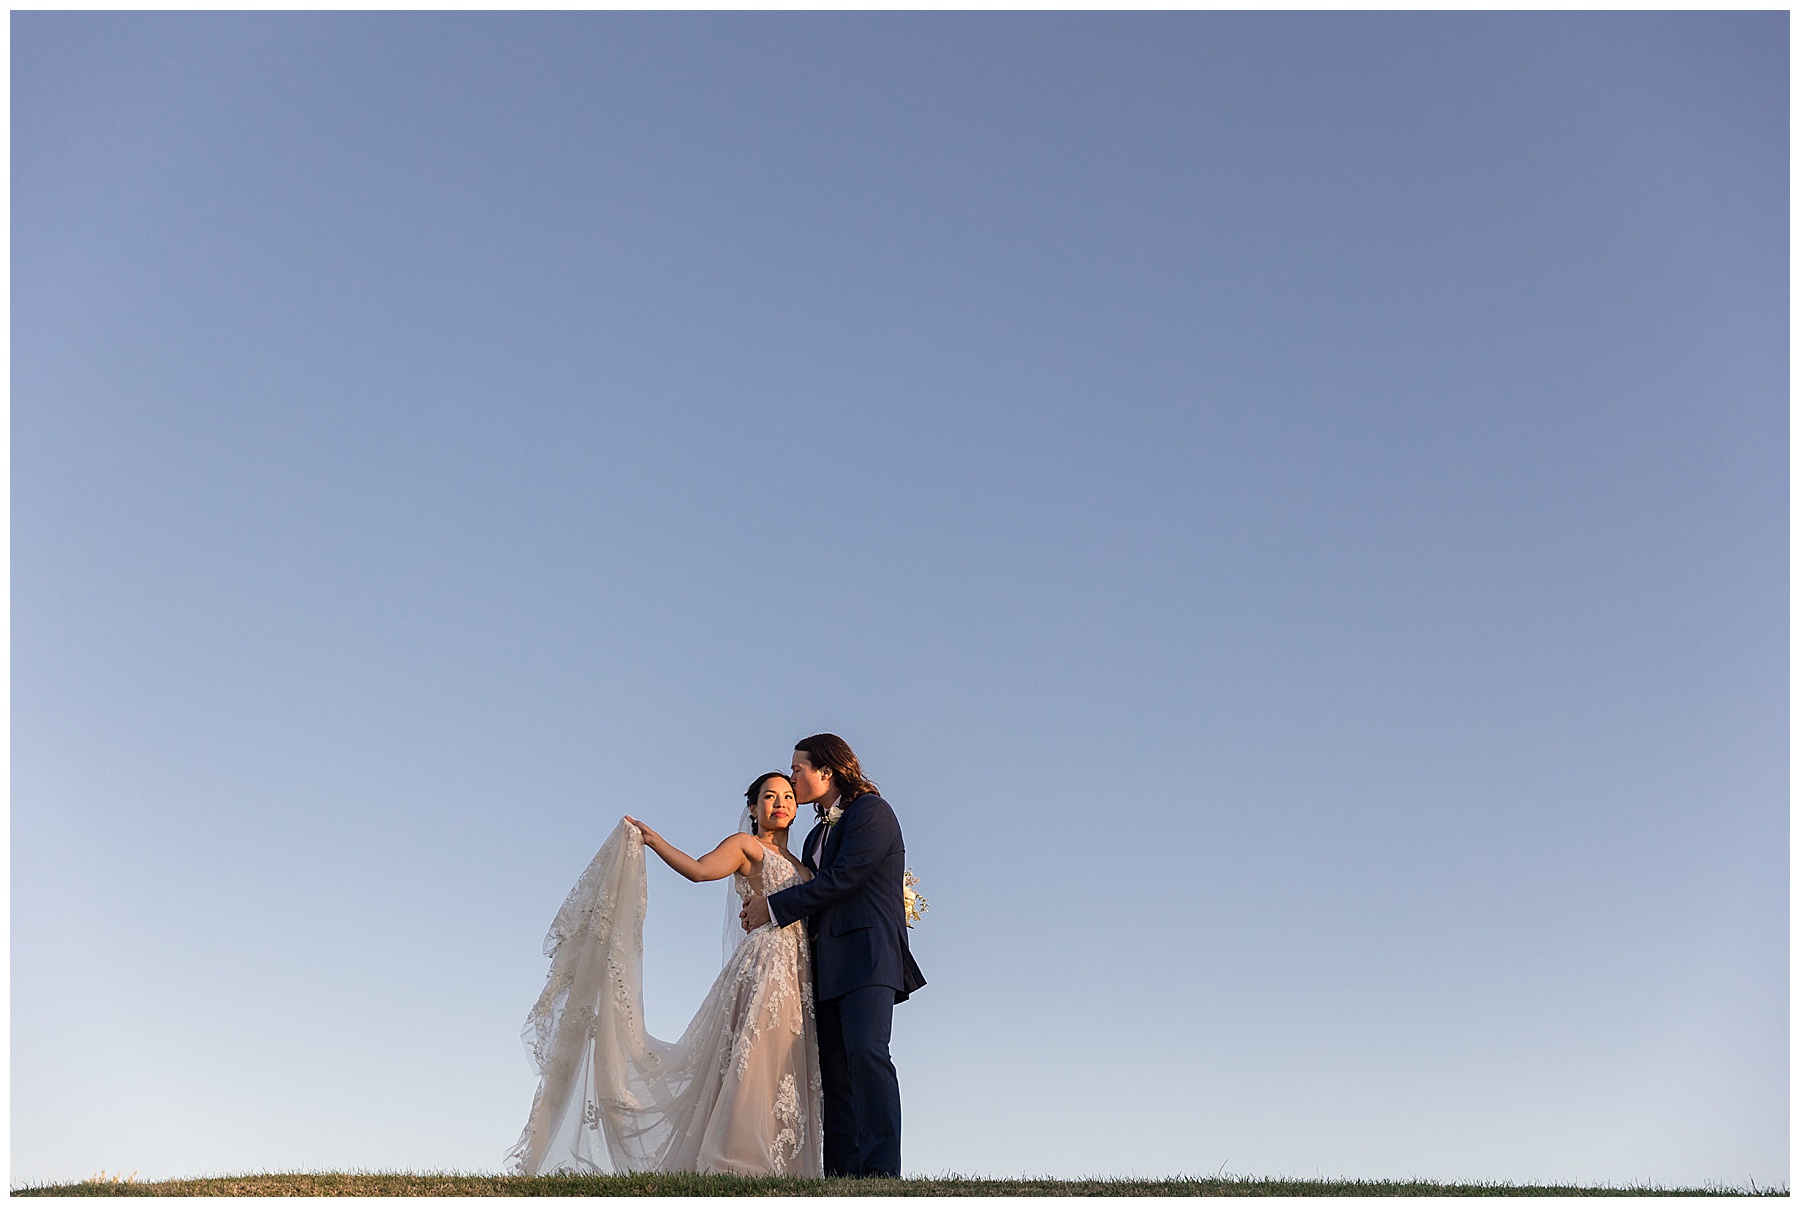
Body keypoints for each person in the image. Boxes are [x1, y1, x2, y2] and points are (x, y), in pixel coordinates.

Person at [506, 772, 824, 1176]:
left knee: (784, 1065)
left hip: (799, 975)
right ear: (753, 807)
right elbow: (699, 870)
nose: (779, 803)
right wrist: (655, 842)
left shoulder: (805, 864)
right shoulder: (747, 846)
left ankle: (785, 1169)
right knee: (752, 1063)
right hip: (763, 969)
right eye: (768, 796)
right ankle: (741, 1163)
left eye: (787, 796)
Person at [739, 734, 925, 1178]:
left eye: (797, 768)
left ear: (827, 771)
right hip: (824, 967)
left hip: (867, 958)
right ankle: (841, 1177)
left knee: (867, 1055)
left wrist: (774, 906)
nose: (792, 776)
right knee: (834, 1074)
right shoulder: (813, 835)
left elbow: (844, 878)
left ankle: (881, 1174)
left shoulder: (871, 813)